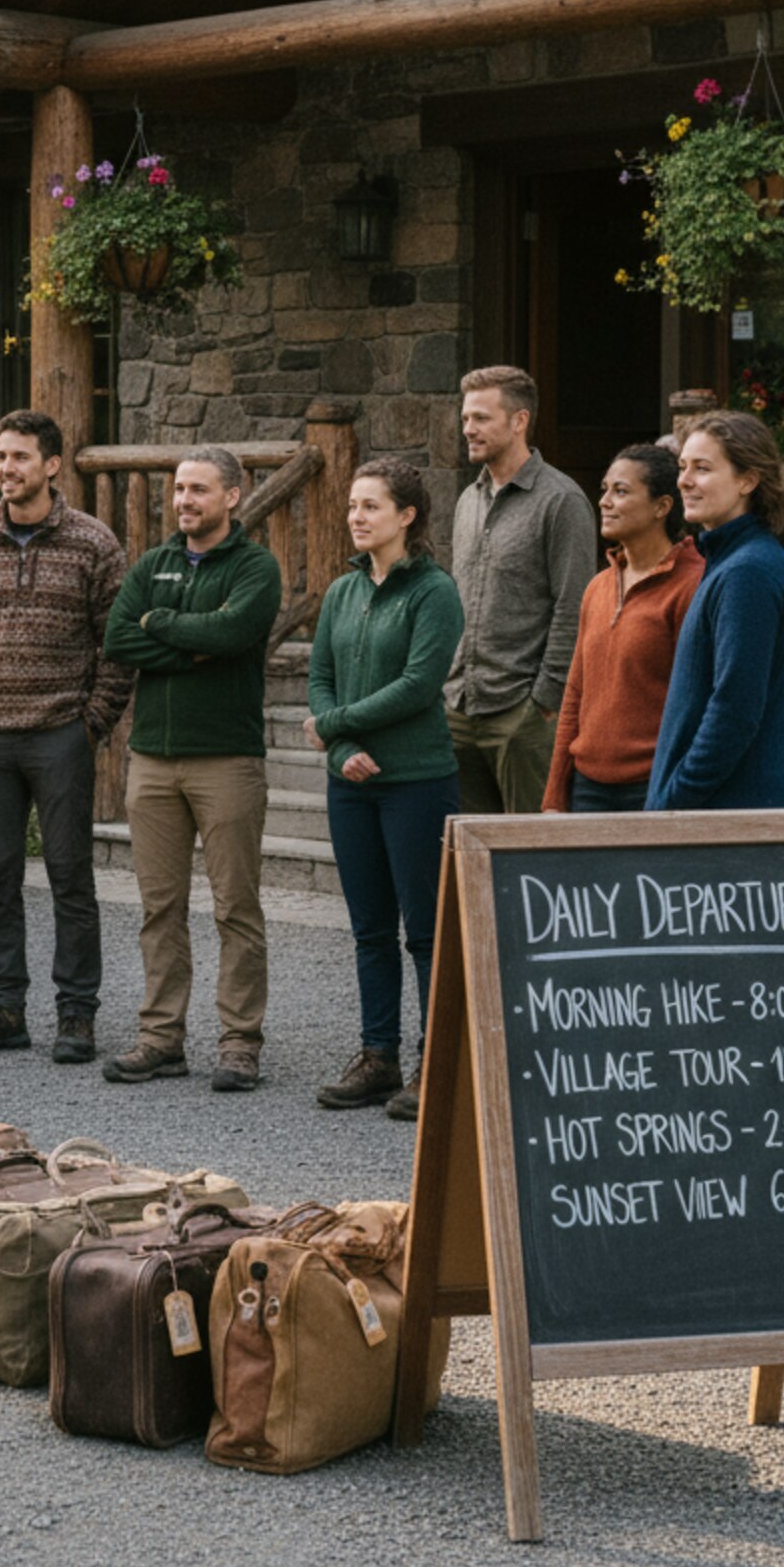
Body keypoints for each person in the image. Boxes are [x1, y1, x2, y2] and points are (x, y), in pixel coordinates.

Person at [0, 409, 133, 1065]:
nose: (6, 468)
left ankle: (76, 1014)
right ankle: (3, 1008)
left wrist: (92, 722)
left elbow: (118, 643)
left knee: (70, 876)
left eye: (19, 457)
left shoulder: (93, 543)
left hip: (58, 734)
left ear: (52, 465)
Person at [101, 447, 283, 1092]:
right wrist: (191, 642)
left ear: (233, 496)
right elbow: (119, 638)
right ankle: (161, 1038)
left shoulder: (256, 566)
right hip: (151, 759)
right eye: (179, 489)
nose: (184, 501)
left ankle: (239, 1042)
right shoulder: (152, 564)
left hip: (226, 760)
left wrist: (165, 626)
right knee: (160, 907)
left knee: (236, 906)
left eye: (198, 490)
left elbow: (234, 635)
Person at [306, 459, 464, 1119]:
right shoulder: (342, 591)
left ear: (407, 516)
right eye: (352, 506)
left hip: (416, 782)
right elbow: (319, 675)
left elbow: (419, 686)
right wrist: (341, 748)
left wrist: (332, 725)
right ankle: (379, 1057)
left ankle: (436, 1065)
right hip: (351, 783)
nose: (357, 516)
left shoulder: (434, 592)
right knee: (370, 929)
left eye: (371, 506)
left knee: (425, 931)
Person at [445, 367, 598, 813]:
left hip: (522, 713)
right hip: (459, 707)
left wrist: (544, 701)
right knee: (469, 856)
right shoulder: (467, 500)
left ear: (519, 421)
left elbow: (574, 607)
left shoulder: (561, 501)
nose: (468, 429)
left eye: (481, 418)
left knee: (529, 860)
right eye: (465, 418)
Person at [648, 411, 784, 811]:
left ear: (747, 480)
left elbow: (735, 712)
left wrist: (675, 802)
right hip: (725, 813)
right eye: (683, 467)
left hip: (736, 817)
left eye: (702, 468)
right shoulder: (730, 561)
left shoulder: (747, 572)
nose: (684, 480)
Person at [544, 444, 703, 815]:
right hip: (587, 790)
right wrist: (555, 794)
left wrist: (676, 794)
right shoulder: (597, 587)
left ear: (662, 507)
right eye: (604, 490)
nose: (604, 502)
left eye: (621, 491)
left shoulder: (693, 586)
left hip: (653, 790)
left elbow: (696, 705)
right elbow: (575, 695)